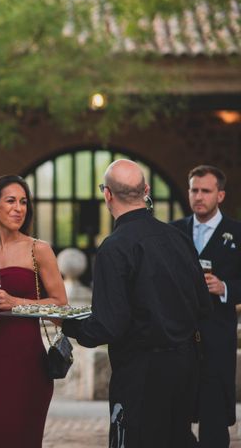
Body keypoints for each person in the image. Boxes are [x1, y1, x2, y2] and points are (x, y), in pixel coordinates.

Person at [61, 159, 212, 447]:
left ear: (107, 195)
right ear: (146, 190)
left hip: (141, 373)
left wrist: (64, 322)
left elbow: (107, 326)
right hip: (185, 367)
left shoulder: (114, 248)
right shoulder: (179, 238)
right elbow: (203, 306)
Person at [0, 175, 68, 447]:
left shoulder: (39, 250)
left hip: (30, 359)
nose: (18, 208)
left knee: (22, 436)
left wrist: (17, 303)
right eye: (10, 201)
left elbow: (61, 305)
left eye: (23, 202)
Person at [170, 165, 241, 447]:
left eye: (206, 191)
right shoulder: (173, 232)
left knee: (213, 420)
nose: (198, 196)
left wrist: (225, 288)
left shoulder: (237, 233)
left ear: (220, 195)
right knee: (176, 417)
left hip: (217, 340)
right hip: (178, 339)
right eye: (194, 190)